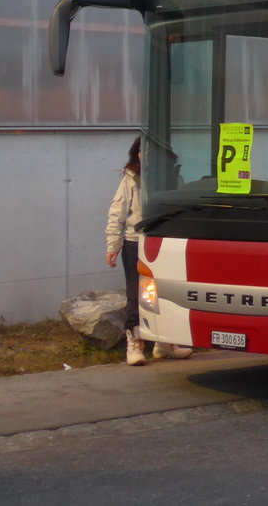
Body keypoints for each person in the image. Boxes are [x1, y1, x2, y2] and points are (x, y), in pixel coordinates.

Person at [106, 136, 192, 365]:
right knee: (137, 294)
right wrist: (113, 246)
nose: (145, 155)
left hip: (164, 241)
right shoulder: (131, 178)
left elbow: (180, 209)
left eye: (151, 151)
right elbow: (117, 212)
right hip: (136, 242)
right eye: (141, 150)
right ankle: (135, 343)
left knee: (165, 293)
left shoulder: (173, 177)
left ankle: (164, 344)